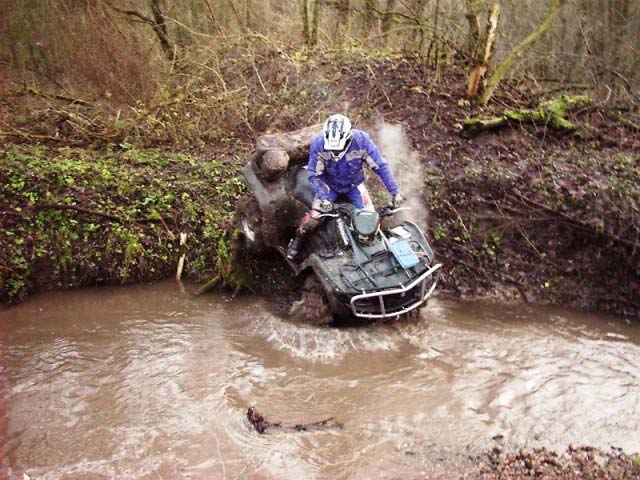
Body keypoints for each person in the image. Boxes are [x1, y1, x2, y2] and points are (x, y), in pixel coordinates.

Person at [286, 114, 404, 260]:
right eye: (332, 149)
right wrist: (323, 198)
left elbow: (380, 166)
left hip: (354, 185)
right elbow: (315, 174)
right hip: (329, 186)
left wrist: (395, 192)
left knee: (369, 219)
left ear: (348, 139)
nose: (335, 153)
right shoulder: (318, 143)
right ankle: (297, 241)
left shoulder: (362, 141)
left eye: (338, 149)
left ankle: (373, 250)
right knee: (314, 217)